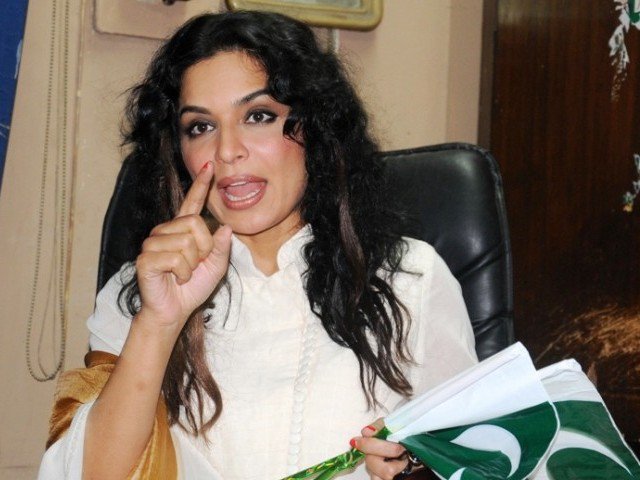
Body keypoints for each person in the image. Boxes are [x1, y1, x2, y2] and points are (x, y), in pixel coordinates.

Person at [39, 10, 477, 480]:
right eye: (200, 127)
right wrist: (158, 323)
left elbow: (485, 458)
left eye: (259, 116)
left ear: (314, 128)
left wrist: (417, 469)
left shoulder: (411, 278)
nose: (227, 150)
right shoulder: (139, 292)